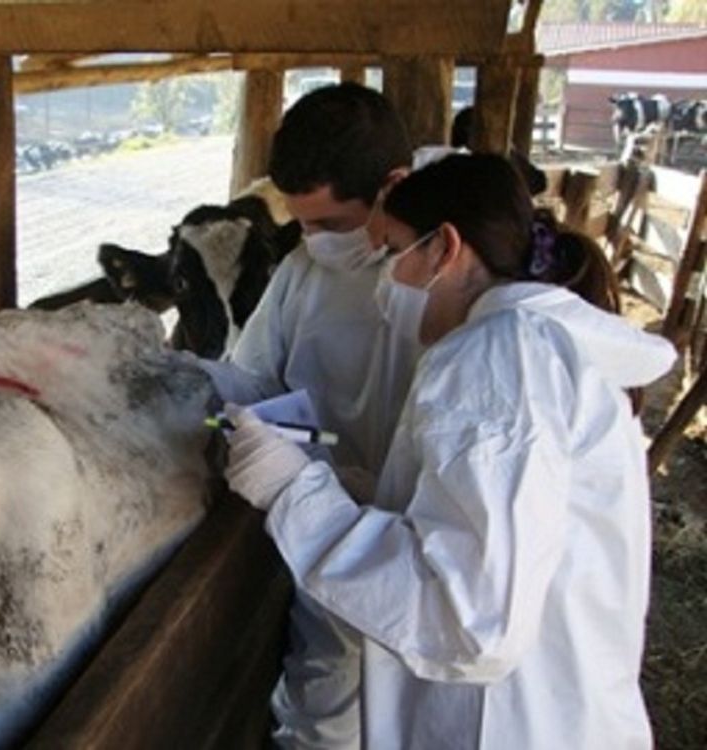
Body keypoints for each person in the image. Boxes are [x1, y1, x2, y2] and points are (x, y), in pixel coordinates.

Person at [224, 153, 675, 749]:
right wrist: (366, 491)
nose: (384, 284)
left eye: (393, 254)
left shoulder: (497, 355)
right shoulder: (535, 344)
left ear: (445, 249)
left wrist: (295, 494)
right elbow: (496, 528)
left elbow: (470, 618)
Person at [197, 83, 416, 748]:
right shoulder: (301, 273)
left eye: (331, 224)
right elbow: (255, 376)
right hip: (325, 534)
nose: (313, 239)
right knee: (324, 719)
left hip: (418, 544)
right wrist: (185, 378)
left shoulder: (440, 286)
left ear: (393, 187)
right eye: (303, 223)